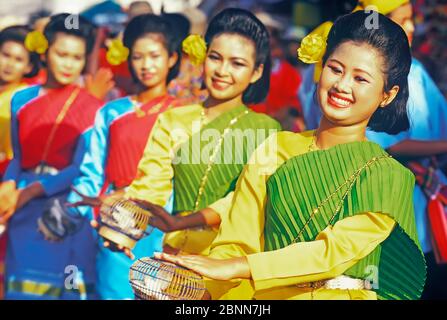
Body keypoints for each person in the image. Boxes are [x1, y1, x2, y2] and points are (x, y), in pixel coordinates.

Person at [157, 11, 426, 301]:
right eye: (335, 69)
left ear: (387, 94)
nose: (341, 86)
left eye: (360, 78)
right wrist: (205, 291)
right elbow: (236, 242)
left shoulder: (388, 175)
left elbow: (332, 253)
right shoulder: (276, 147)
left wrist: (241, 266)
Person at [73, 8, 281, 259]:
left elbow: (245, 199)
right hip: (172, 256)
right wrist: (125, 227)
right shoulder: (174, 119)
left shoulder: (266, 129)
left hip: (226, 260)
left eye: (237, 63)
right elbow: (151, 185)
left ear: (257, 72)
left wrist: (183, 222)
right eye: (215, 57)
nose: (222, 71)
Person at [299, 0, 447, 299]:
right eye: (401, 20)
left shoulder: (415, 69)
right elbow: (388, 143)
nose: (411, 28)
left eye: (411, 19)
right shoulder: (283, 151)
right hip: (367, 199)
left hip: (423, 203)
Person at [48, 14, 181, 300]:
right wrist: (68, 216)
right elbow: (91, 173)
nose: (146, 65)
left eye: (155, 56)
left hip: (164, 227)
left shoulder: (185, 116)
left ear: (171, 58)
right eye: (138, 57)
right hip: (115, 223)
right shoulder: (111, 112)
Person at [0, 13, 102, 300]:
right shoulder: (21, 100)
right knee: (23, 288)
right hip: (22, 205)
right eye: (61, 54)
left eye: (77, 57)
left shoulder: (93, 108)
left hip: (66, 206)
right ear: (45, 53)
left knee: (66, 287)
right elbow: (18, 157)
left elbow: (81, 168)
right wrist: (9, 184)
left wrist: (33, 190)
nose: (69, 64)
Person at [0, 24, 40, 299]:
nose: (9, 64)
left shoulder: (23, 99)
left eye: (18, 59)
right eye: (5, 54)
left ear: (29, 65)